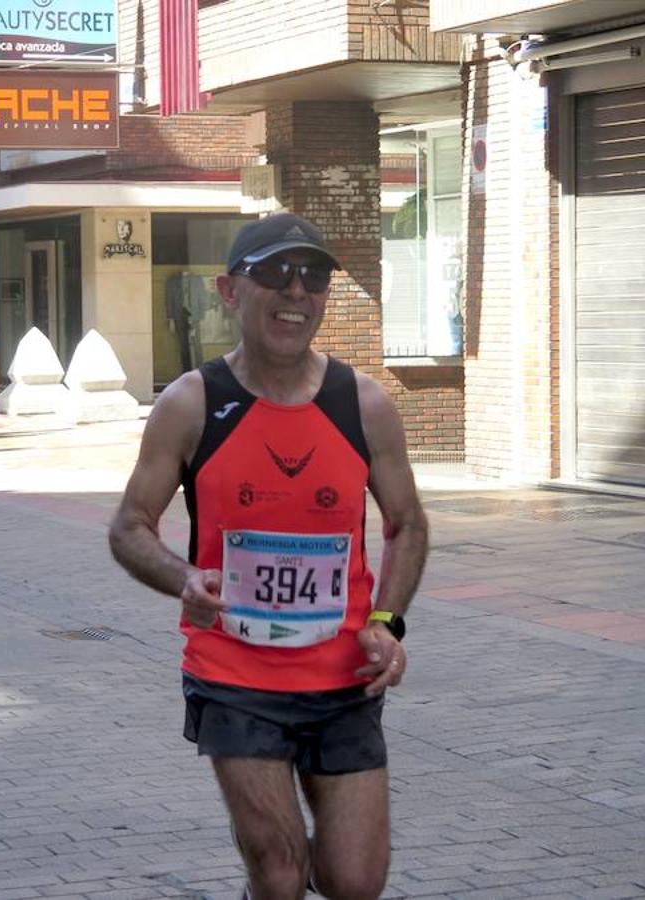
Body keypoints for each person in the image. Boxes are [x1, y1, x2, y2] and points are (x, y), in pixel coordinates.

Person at [108, 213, 429, 900]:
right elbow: (130, 526)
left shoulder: (362, 404)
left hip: (344, 677)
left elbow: (407, 526)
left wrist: (388, 621)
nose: (298, 291)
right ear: (229, 291)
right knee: (280, 872)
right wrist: (185, 578)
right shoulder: (192, 404)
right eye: (276, 273)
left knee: (354, 881)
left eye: (314, 276)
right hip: (235, 675)